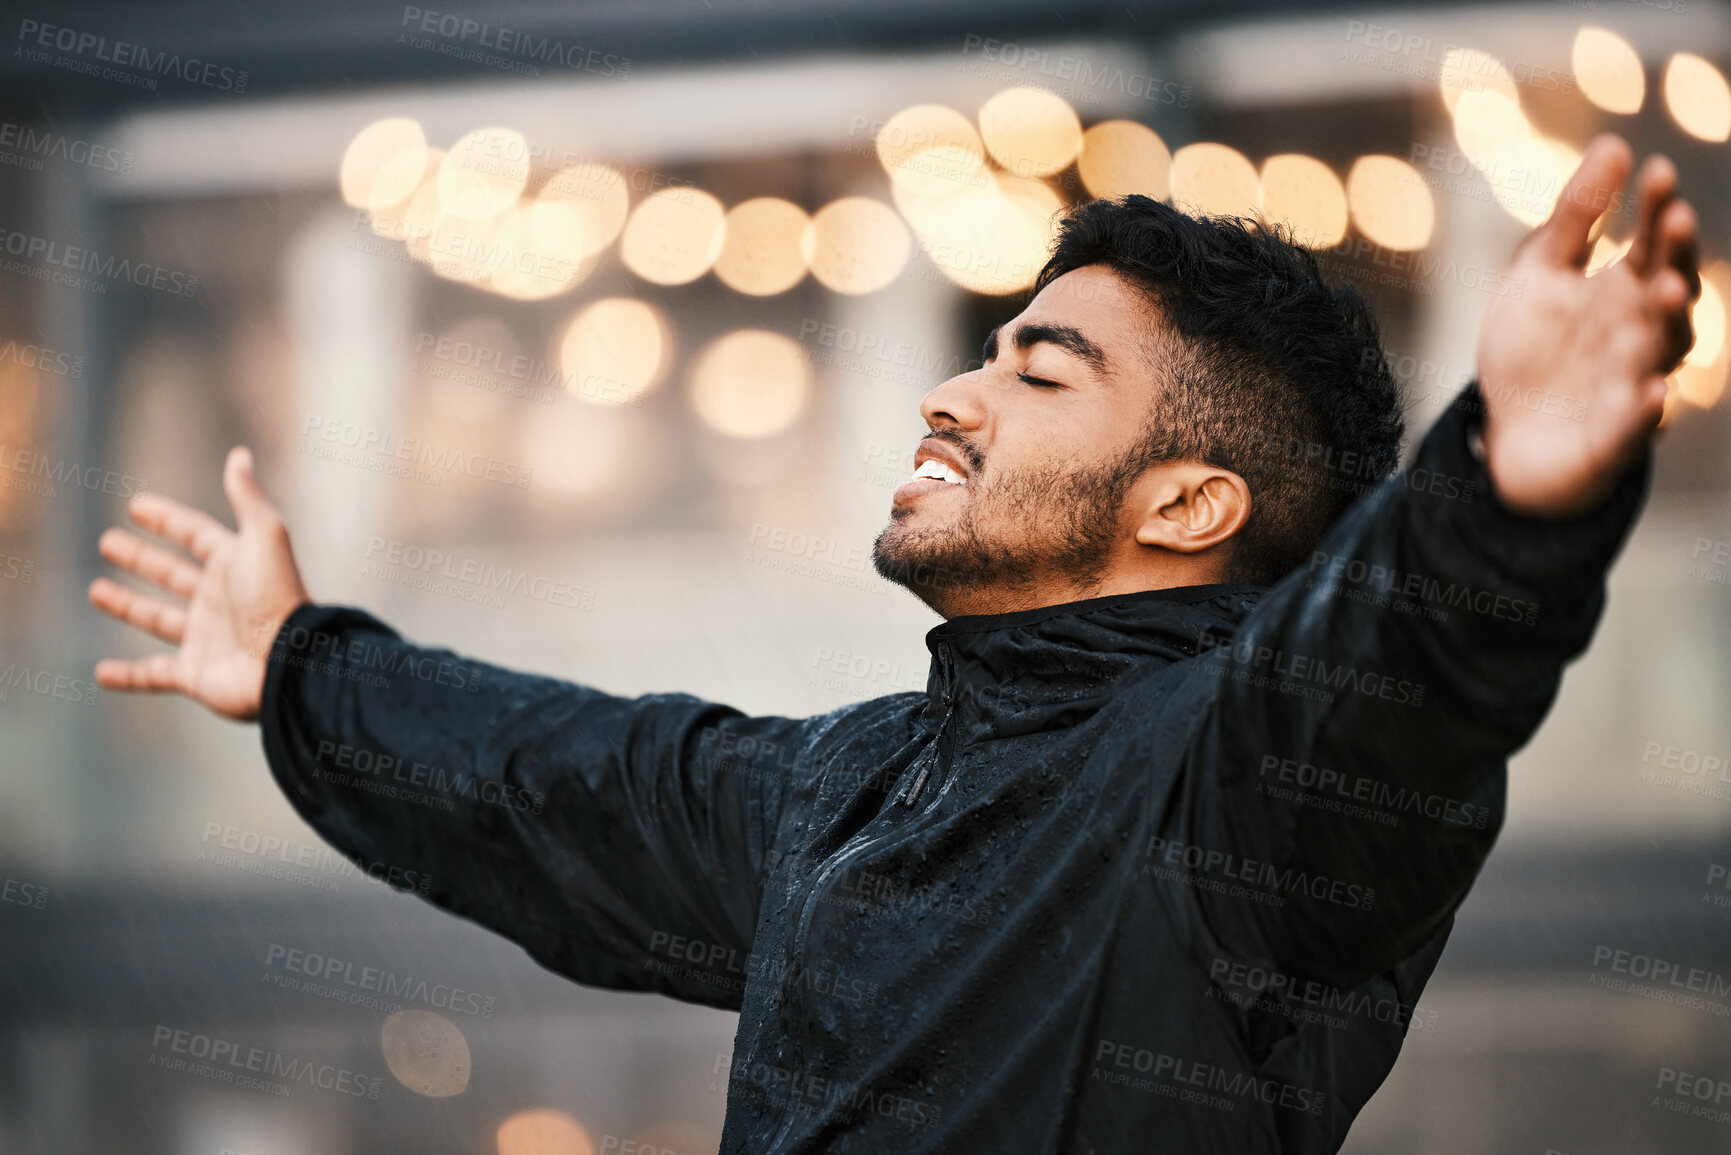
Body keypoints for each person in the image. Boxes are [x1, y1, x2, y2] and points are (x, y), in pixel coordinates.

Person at [89, 135, 1697, 1153]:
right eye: (985, 353)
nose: (953, 392)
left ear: (1194, 504)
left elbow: (1397, 678)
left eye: (1042, 373)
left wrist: (1504, 490)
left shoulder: (1238, 794)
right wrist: (301, 664)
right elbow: (564, 778)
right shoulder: (852, 788)